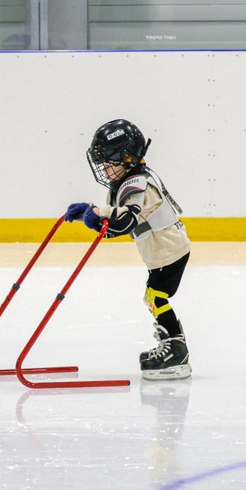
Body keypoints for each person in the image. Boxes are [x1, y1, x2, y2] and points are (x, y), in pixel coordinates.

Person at [65, 120, 192, 380]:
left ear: (126, 157)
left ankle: (177, 352)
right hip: (163, 251)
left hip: (169, 252)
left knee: (156, 297)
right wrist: (88, 212)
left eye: (109, 163)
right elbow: (118, 216)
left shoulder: (139, 185)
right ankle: (173, 346)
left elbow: (124, 222)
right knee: (153, 297)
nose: (104, 169)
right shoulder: (131, 181)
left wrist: (95, 214)